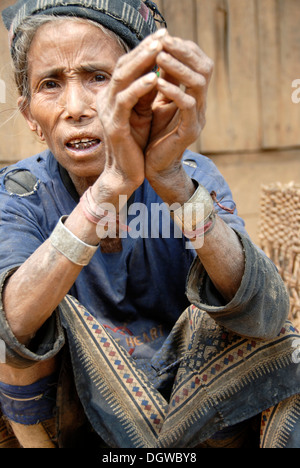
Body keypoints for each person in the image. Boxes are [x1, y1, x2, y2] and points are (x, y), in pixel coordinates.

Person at [0, 0, 299, 449]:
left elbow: (264, 312)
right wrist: (110, 188)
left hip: (196, 412)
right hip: (78, 417)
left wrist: (172, 181)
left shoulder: (191, 174)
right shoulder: (22, 192)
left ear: (142, 93)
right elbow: (13, 327)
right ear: (29, 117)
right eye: (51, 84)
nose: (76, 106)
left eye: (99, 78)